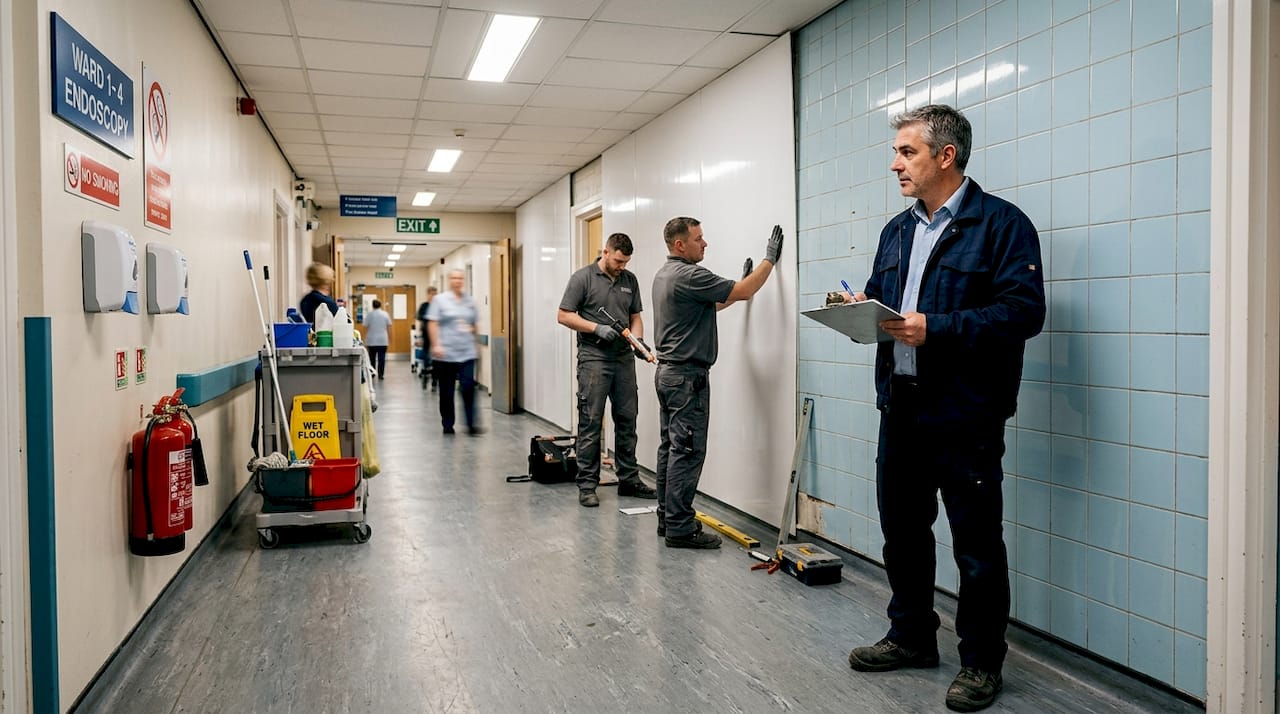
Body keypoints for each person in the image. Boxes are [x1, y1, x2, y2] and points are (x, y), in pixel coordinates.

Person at [842, 105, 1045, 713]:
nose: (895, 163)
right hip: (899, 406)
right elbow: (895, 311)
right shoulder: (897, 230)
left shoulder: (1002, 225)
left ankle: (981, 662)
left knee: (975, 545)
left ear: (945, 156)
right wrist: (862, 314)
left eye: (907, 152)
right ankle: (911, 636)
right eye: (898, 152)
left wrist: (941, 328)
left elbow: (1023, 312)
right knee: (902, 532)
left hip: (966, 413)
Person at [651, 217, 783, 549]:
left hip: (669, 375)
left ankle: (669, 519)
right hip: (686, 380)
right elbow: (746, 291)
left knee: (671, 447)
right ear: (680, 245)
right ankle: (680, 528)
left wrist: (740, 286)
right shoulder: (690, 274)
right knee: (687, 452)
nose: (705, 243)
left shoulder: (665, 274)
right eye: (698, 239)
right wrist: (769, 260)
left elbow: (711, 305)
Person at [557, 233, 658, 508]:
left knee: (627, 420)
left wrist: (637, 341)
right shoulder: (583, 278)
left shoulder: (630, 280)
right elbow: (564, 315)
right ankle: (587, 485)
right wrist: (595, 328)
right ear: (605, 252)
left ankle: (629, 480)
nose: (621, 266)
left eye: (625, 262)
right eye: (617, 261)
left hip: (623, 359)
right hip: (594, 359)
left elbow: (635, 316)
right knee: (591, 422)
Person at [428, 270, 481, 435]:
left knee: (468, 388)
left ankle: (471, 424)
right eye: (454, 278)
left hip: (466, 352)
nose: (458, 281)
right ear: (450, 280)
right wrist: (436, 345)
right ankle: (448, 424)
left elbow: (474, 324)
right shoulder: (440, 300)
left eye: (460, 278)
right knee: (447, 392)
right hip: (446, 354)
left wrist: (476, 341)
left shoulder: (470, 301)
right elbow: (433, 323)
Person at [362, 299, 392, 379]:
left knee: (372, 358)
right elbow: (389, 327)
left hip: (371, 340)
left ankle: (372, 373)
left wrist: (364, 339)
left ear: (373, 305)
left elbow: (365, 327)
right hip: (383, 340)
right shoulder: (385, 314)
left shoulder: (369, 315)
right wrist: (390, 338)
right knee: (381, 358)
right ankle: (381, 374)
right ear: (380, 305)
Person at [416, 286, 439, 389]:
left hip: (437, 336)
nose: (433, 296)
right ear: (428, 295)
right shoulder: (424, 306)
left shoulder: (439, 307)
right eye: (431, 294)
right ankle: (425, 376)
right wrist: (420, 338)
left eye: (435, 294)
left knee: (436, 360)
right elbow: (420, 319)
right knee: (426, 358)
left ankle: (434, 381)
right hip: (426, 335)